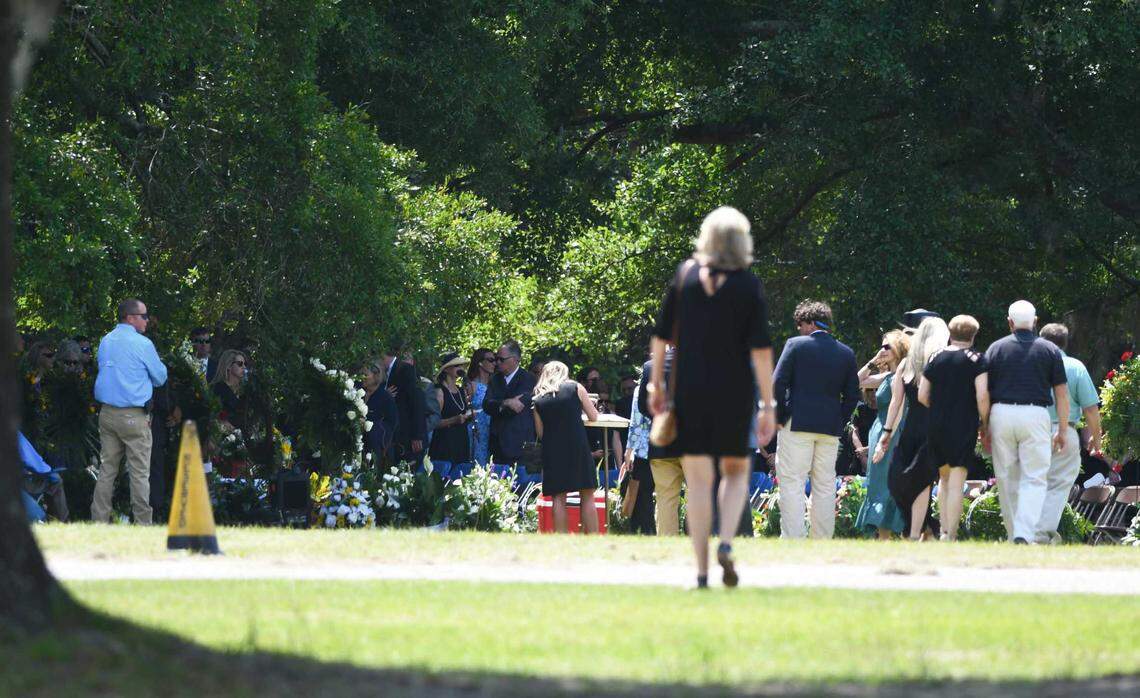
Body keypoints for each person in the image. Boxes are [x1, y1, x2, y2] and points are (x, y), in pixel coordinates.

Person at [648, 206, 776, 588]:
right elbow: (761, 350)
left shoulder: (685, 276)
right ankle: (725, 542)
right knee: (735, 473)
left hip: (690, 389)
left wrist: (656, 382)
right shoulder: (747, 284)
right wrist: (768, 404)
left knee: (699, 482)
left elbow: (661, 335)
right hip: (734, 390)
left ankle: (702, 573)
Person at [982, 300, 1069, 544]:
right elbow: (1061, 394)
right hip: (1036, 414)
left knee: (1006, 476)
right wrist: (1062, 429)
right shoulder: (1050, 350)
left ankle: (1014, 535)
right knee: (1035, 477)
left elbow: (985, 392)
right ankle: (1023, 532)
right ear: (1035, 322)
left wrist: (984, 426)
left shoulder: (996, 349)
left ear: (1009, 322)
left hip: (1001, 413)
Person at [771, 300, 860, 540]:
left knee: (792, 482)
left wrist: (780, 417)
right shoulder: (846, 352)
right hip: (829, 429)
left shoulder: (795, 345)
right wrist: (838, 420)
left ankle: (794, 540)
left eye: (800, 324)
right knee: (824, 485)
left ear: (809, 322)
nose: (798, 329)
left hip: (796, 424)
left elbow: (777, 383)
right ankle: (822, 540)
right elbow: (853, 395)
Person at [92, 298, 168, 525]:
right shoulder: (142, 344)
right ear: (131, 317)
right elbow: (160, 377)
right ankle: (143, 524)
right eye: (144, 316)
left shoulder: (106, 341)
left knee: (107, 471)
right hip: (133, 416)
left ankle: (99, 521)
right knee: (139, 473)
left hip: (107, 414)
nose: (147, 320)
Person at [876, 315, 949, 540]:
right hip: (922, 428)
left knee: (918, 481)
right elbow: (896, 402)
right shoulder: (916, 363)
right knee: (904, 481)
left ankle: (916, 532)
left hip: (923, 429)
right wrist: (886, 433)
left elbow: (898, 402)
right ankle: (924, 528)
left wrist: (886, 434)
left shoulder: (926, 362)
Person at [918, 315, 989, 541]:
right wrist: (984, 421)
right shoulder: (977, 359)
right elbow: (982, 395)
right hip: (963, 425)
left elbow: (922, 395)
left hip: (936, 425)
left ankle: (943, 530)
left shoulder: (936, 356)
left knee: (944, 479)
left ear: (950, 333)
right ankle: (951, 533)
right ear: (974, 335)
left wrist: (938, 408)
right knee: (958, 481)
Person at [1037, 323, 1102, 544]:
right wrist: (1097, 437)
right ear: (1066, 342)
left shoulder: (1030, 365)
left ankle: (1024, 532)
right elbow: (1091, 409)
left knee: (1031, 482)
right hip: (1063, 431)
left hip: (1030, 430)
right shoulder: (1074, 366)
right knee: (1057, 485)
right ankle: (1040, 536)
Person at [533, 361, 601, 533]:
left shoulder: (538, 399)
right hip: (577, 446)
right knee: (587, 494)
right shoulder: (575, 388)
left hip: (553, 450)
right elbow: (594, 416)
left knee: (558, 496)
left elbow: (541, 433)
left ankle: (561, 540)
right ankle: (593, 538)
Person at [855, 330, 910, 539]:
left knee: (893, 484)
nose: (883, 350)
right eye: (882, 346)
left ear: (899, 348)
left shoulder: (906, 374)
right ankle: (883, 538)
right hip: (878, 432)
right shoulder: (886, 376)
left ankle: (904, 533)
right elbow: (857, 381)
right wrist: (873, 361)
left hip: (896, 432)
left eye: (887, 346)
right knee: (878, 484)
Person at [640, 349, 685, 535]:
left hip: (661, 442)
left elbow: (643, 405)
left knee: (665, 498)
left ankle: (669, 545)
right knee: (699, 494)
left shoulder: (651, 366)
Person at [484, 340, 538, 479]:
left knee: (528, 491)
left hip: (524, 445)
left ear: (515, 359)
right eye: (496, 359)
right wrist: (506, 402)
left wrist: (500, 405)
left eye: (501, 359)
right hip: (498, 445)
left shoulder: (530, 380)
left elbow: (517, 407)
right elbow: (486, 405)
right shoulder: (495, 380)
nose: (497, 363)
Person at [620, 367, 656, 534]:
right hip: (670, 447)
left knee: (643, 494)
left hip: (644, 449)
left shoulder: (640, 390)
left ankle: (645, 530)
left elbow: (636, 423)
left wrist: (629, 450)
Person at [381, 342, 428, 467]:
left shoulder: (404, 369)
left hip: (407, 433)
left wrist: (417, 435)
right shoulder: (390, 372)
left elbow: (416, 400)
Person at [429, 353, 472, 478]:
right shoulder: (440, 391)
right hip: (444, 442)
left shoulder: (461, 391)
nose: (461, 369)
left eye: (462, 366)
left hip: (461, 440)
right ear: (447, 369)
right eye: (457, 366)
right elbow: (434, 422)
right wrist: (453, 420)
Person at [361, 359, 398, 469]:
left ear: (376, 376)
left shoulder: (385, 397)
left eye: (365, 375)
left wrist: (369, 425)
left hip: (376, 449)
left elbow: (393, 423)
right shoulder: (358, 393)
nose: (361, 378)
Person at [464, 347, 495, 466]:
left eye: (496, 359)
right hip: (477, 432)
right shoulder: (471, 385)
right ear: (480, 363)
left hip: (492, 430)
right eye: (491, 360)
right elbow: (464, 409)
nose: (495, 363)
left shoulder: (496, 385)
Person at [210, 349, 248, 431]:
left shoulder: (244, 393)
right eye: (240, 364)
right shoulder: (218, 388)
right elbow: (213, 413)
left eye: (245, 364)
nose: (244, 367)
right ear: (228, 366)